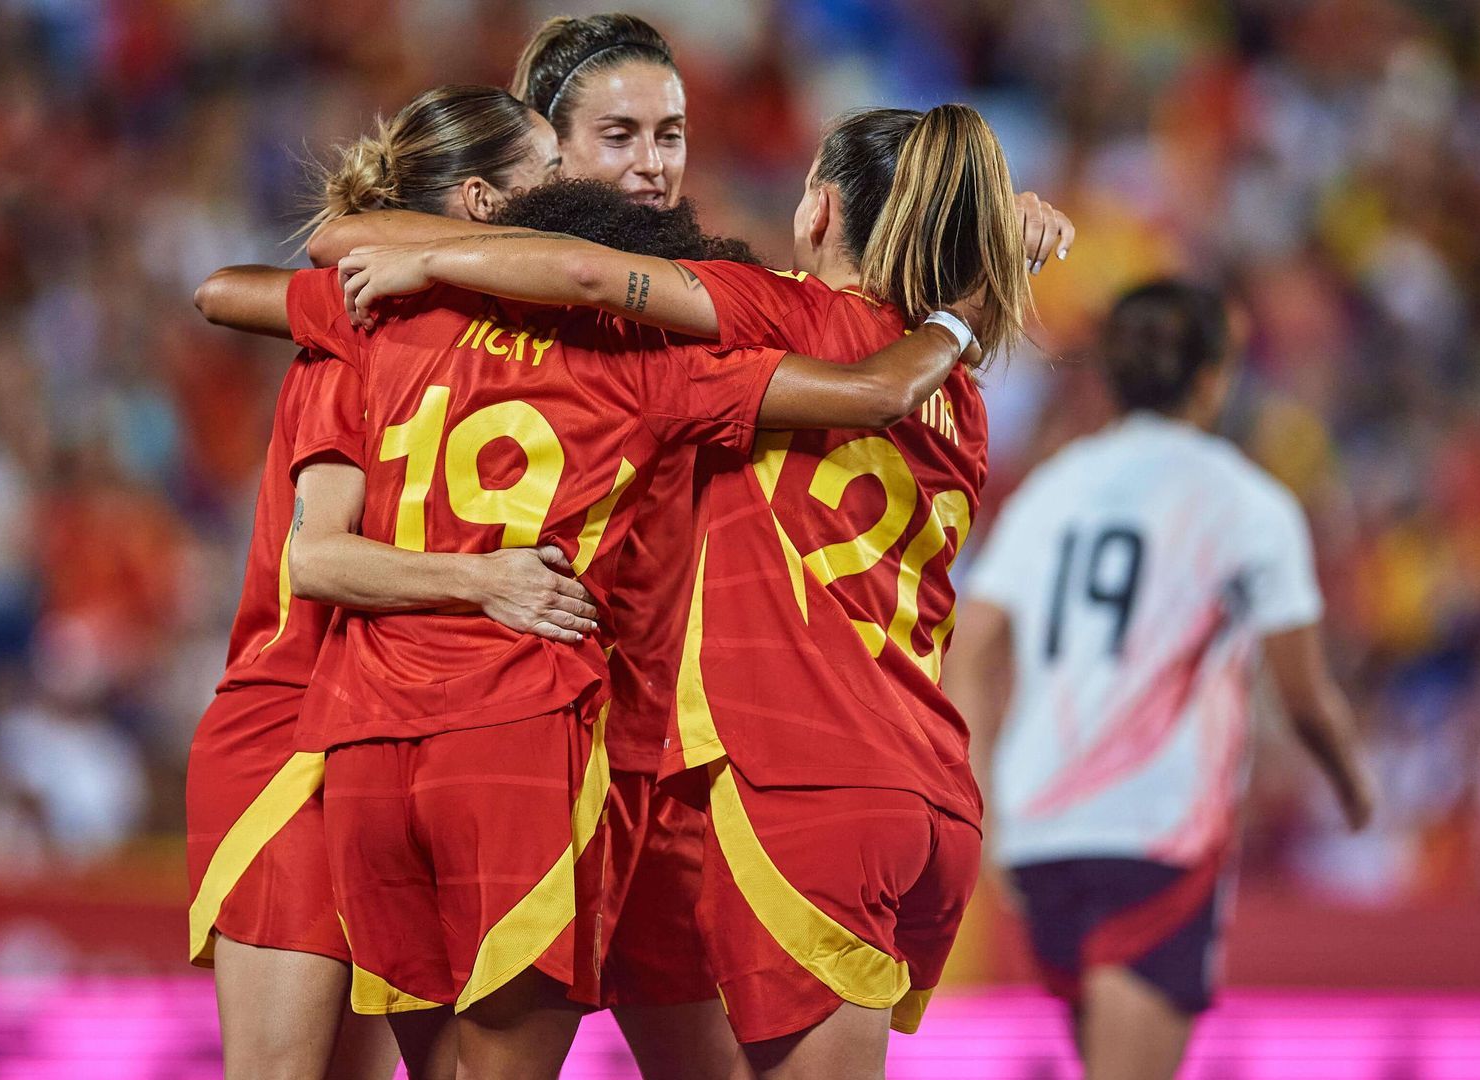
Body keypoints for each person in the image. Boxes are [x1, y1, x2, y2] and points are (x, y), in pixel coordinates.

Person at [335, 102, 1033, 1080]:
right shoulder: (960, 390)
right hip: (922, 788)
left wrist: (436, 260)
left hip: (804, 778)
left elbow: (589, 274)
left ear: (821, 210)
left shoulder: (793, 314)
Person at [184, 84, 592, 1080]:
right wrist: (486, 581)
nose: (575, 187)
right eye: (552, 168)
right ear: (483, 201)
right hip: (291, 735)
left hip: (393, 736)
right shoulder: (363, 325)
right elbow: (316, 559)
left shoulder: (519, 339)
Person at [940, 281, 1378, 1080]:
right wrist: (1354, 786)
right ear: (1213, 378)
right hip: (1154, 828)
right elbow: (1306, 697)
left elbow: (971, 648)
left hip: (1038, 833)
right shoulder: (1247, 504)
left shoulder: (1052, 490)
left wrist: (983, 799)